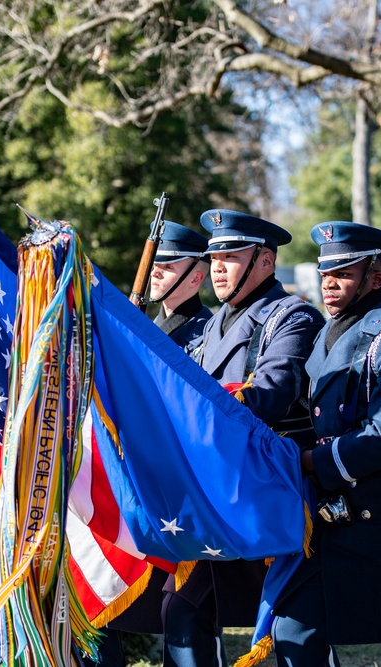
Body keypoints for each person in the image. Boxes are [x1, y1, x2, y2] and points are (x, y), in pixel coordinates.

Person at [161, 209, 323, 667]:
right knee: (183, 609)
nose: (217, 267)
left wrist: (190, 412)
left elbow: (270, 394)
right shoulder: (214, 324)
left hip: (269, 492)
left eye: (231, 256)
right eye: (213, 257)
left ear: (265, 262)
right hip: (217, 489)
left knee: (296, 635)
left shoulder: (292, 316)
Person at [271, 222, 381, 666]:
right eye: (325, 274)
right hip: (327, 517)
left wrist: (309, 461)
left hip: (380, 519)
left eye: (343, 273)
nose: (329, 285)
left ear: (374, 277)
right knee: (293, 633)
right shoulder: (326, 333)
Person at [86, 222, 214, 667]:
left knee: (182, 616)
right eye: (154, 265)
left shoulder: (208, 333)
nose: (157, 273)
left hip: (175, 489)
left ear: (196, 276)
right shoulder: (139, 326)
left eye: (168, 266)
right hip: (130, 481)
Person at [149, 221, 212, 351]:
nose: (154, 273)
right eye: (154, 265)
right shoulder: (151, 326)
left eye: (168, 266)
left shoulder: (209, 336)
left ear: (195, 279)